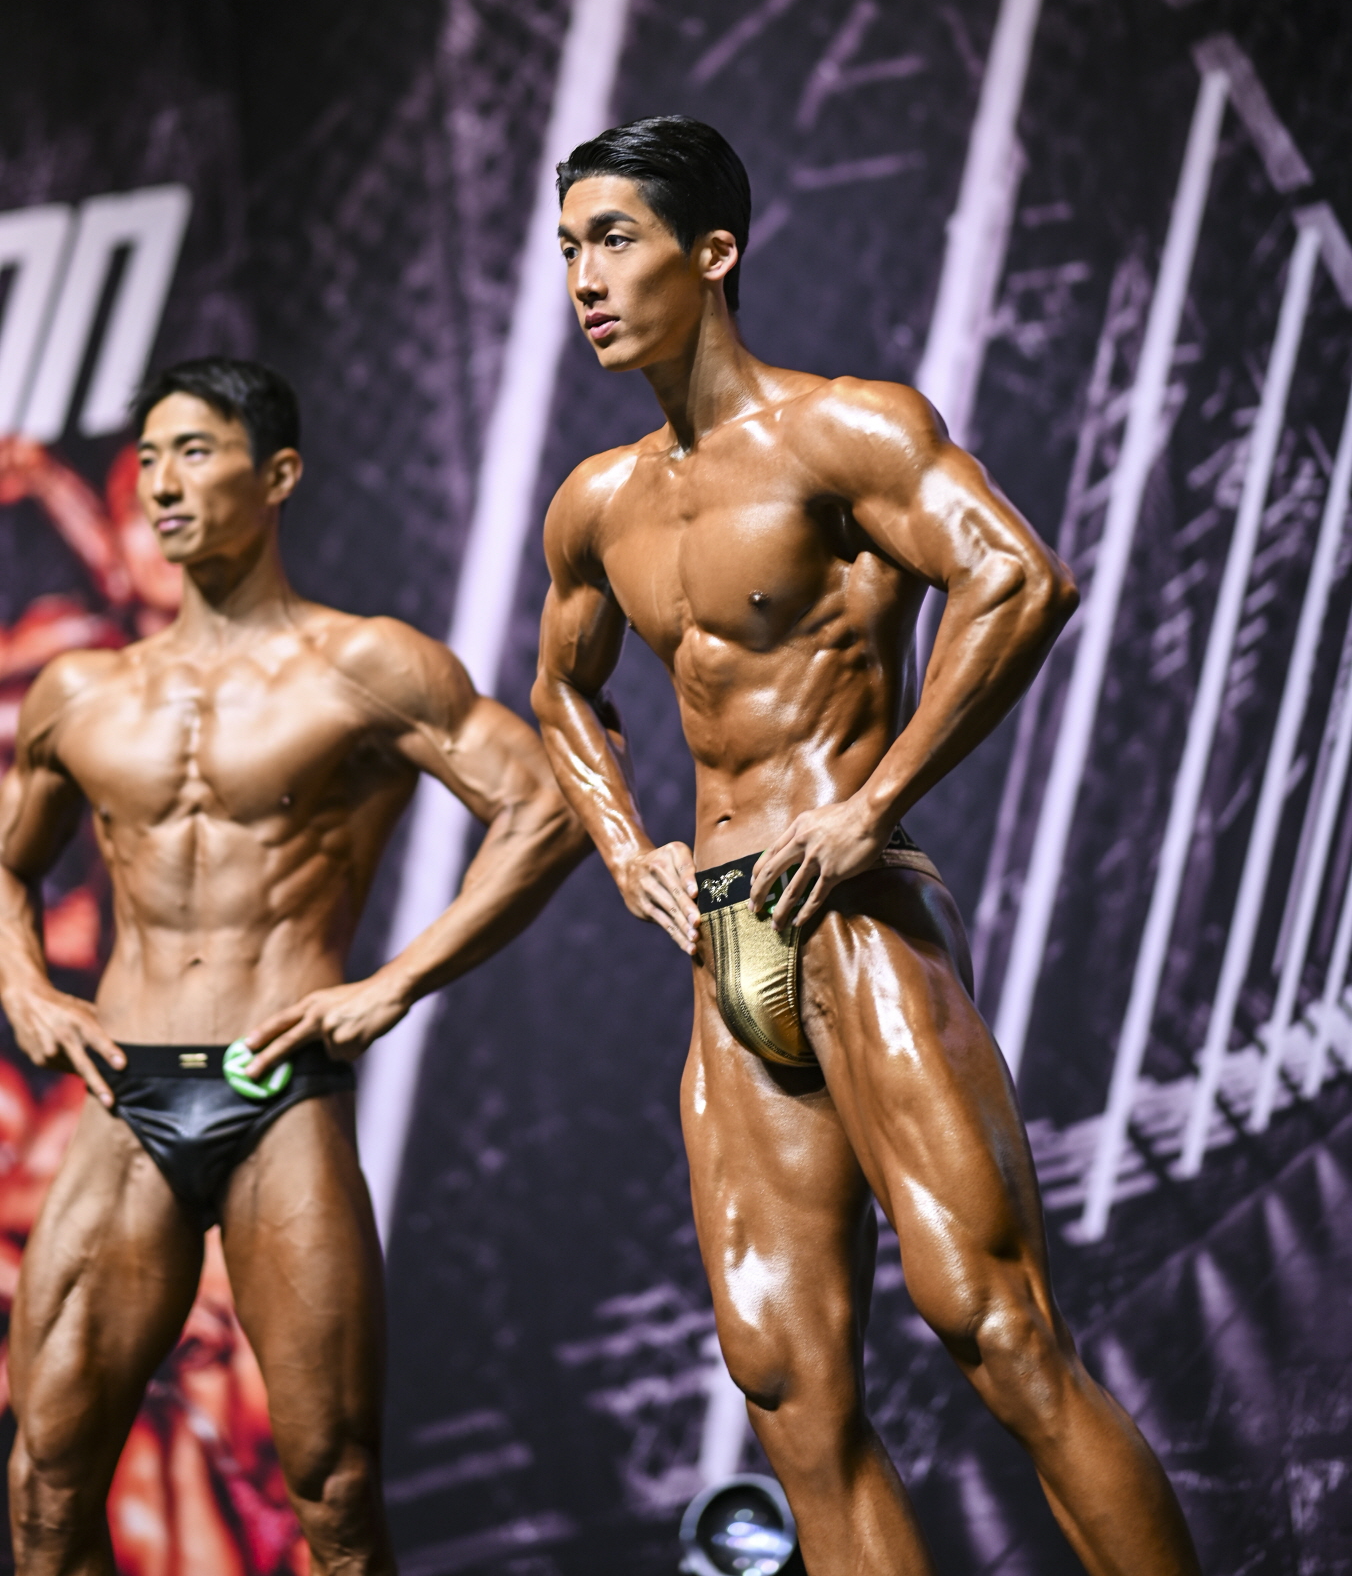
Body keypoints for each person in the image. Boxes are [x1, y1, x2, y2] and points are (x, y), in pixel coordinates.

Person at [532, 118, 1202, 1576]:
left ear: (713, 252)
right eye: (569, 245)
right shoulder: (598, 502)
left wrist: (870, 803)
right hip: (723, 944)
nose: (583, 277)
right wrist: (626, 848)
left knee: (997, 1326)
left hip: (852, 914)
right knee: (788, 1389)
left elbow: (1016, 577)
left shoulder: (843, 430)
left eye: (615, 239)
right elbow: (562, 694)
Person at [0, 357, 588, 1576]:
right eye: (149, 459)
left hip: (278, 1091)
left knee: (334, 1489)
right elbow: (8, 866)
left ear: (277, 476)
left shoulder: (365, 665)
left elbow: (545, 808)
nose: (163, 484)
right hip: (122, 1094)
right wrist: (23, 988)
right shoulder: (83, 691)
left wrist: (394, 982)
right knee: (46, 1487)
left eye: (195, 453)